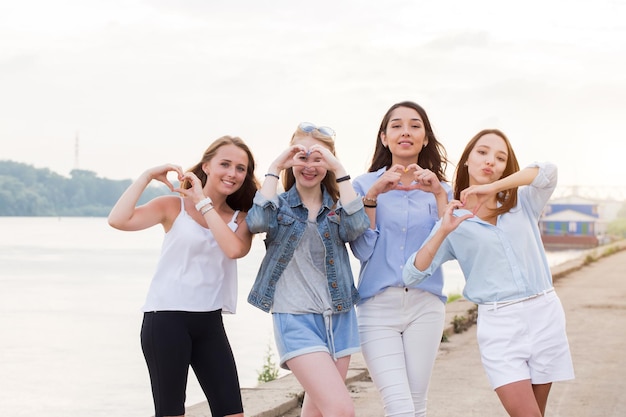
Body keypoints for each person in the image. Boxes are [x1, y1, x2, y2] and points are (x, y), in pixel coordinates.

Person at [403, 129, 575, 417]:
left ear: (506, 168)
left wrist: (493, 188)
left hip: (545, 313)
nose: (490, 161)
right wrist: (442, 230)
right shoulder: (453, 221)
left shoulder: (523, 202)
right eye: (482, 152)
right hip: (500, 323)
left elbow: (547, 171)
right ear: (467, 160)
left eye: (500, 157)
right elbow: (412, 275)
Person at [108, 136, 259, 417]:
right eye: (225, 164)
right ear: (207, 166)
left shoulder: (242, 217)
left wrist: (203, 203)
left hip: (210, 323)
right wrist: (146, 177)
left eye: (241, 168)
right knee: (171, 412)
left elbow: (234, 249)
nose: (233, 173)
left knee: (232, 412)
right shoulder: (172, 206)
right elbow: (118, 220)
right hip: (165, 320)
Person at [246, 122, 370, 417]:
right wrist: (276, 166)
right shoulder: (278, 206)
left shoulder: (339, 208)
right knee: (341, 410)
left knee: (317, 412)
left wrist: (340, 170)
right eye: (302, 157)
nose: (310, 165)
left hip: (340, 318)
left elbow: (356, 228)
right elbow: (257, 222)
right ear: (292, 159)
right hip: (295, 318)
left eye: (319, 158)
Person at [349, 101, 451, 417]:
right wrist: (373, 197)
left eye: (414, 125)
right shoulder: (362, 186)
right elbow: (362, 251)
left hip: (426, 306)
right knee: (399, 406)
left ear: (425, 138)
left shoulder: (442, 189)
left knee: (416, 406)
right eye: (396, 125)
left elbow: (447, 249)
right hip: (377, 307)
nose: (405, 131)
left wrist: (438, 196)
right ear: (384, 137)